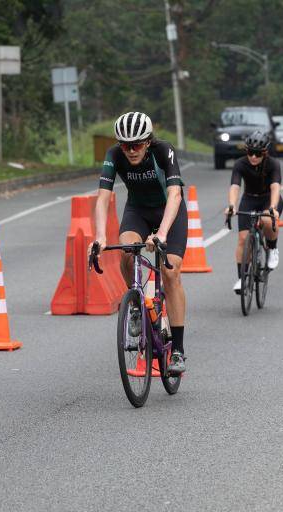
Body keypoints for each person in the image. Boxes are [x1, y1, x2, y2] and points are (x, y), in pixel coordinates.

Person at [91, 112, 188, 374]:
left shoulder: (163, 150)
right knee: (127, 251)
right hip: (138, 211)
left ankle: (178, 350)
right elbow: (103, 197)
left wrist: (162, 234)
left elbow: (175, 194)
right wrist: (100, 236)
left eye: (136, 145)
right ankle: (136, 305)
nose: (131, 151)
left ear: (147, 142)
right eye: (125, 145)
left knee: (170, 272)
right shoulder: (114, 155)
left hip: (169, 211)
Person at [225, 131, 283, 293]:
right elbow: (235, 186)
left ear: (265, 153)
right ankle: (242, 279)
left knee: (267, 220)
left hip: (268, 199)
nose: (253, 157)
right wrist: (231, 205)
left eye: (258, 154)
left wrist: (273, 207)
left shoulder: (273, 164)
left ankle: (272, 248)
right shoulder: (240, 164)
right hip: (249, 199)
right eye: (250, 152)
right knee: (243, 239)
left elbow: (275, 187)